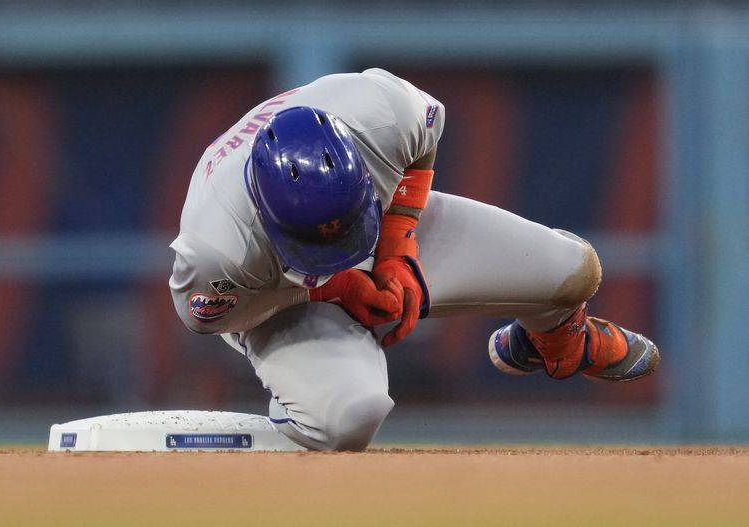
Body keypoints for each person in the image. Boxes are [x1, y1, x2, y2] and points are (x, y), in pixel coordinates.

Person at [169, 68, 660, 452]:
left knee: (575, 270)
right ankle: (297, 422)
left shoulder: (378, 112)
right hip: (279, 294)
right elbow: (210, 321)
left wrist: (397, 246)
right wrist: (339, 286)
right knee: (345, 422)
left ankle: (553, 340)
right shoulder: (215, 250)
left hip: (378, 227)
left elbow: (426, 137)